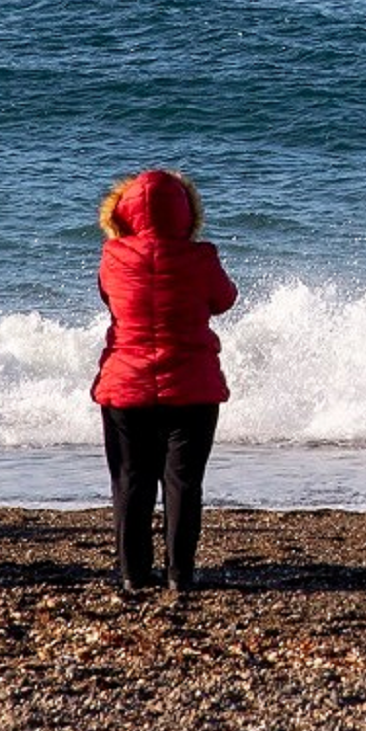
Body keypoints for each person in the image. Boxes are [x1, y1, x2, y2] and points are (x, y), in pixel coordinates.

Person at [94, 169, 239, 592]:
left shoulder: (113, 259)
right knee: (183, 482)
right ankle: (180, 574)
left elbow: (108, 297)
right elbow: (225, 300)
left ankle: (134, 574)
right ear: (187, 212)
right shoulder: (202, 258)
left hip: (126, 385)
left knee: (130, 481)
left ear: (122, 212)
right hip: (192, 388)